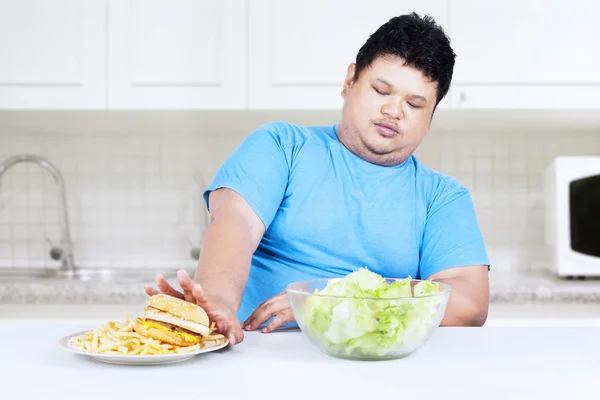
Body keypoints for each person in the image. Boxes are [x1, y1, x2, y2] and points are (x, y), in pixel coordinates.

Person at [144, 12, 490, 346]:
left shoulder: (442, 197)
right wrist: (216, 301)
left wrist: (337, 302)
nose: (394, 111)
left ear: (431, 116)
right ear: (349, 82)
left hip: (378, 368)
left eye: (414, 104)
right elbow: (234, 223)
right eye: (381, 91)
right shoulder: (282, 147)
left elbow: (469, 301)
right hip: (258, 350)